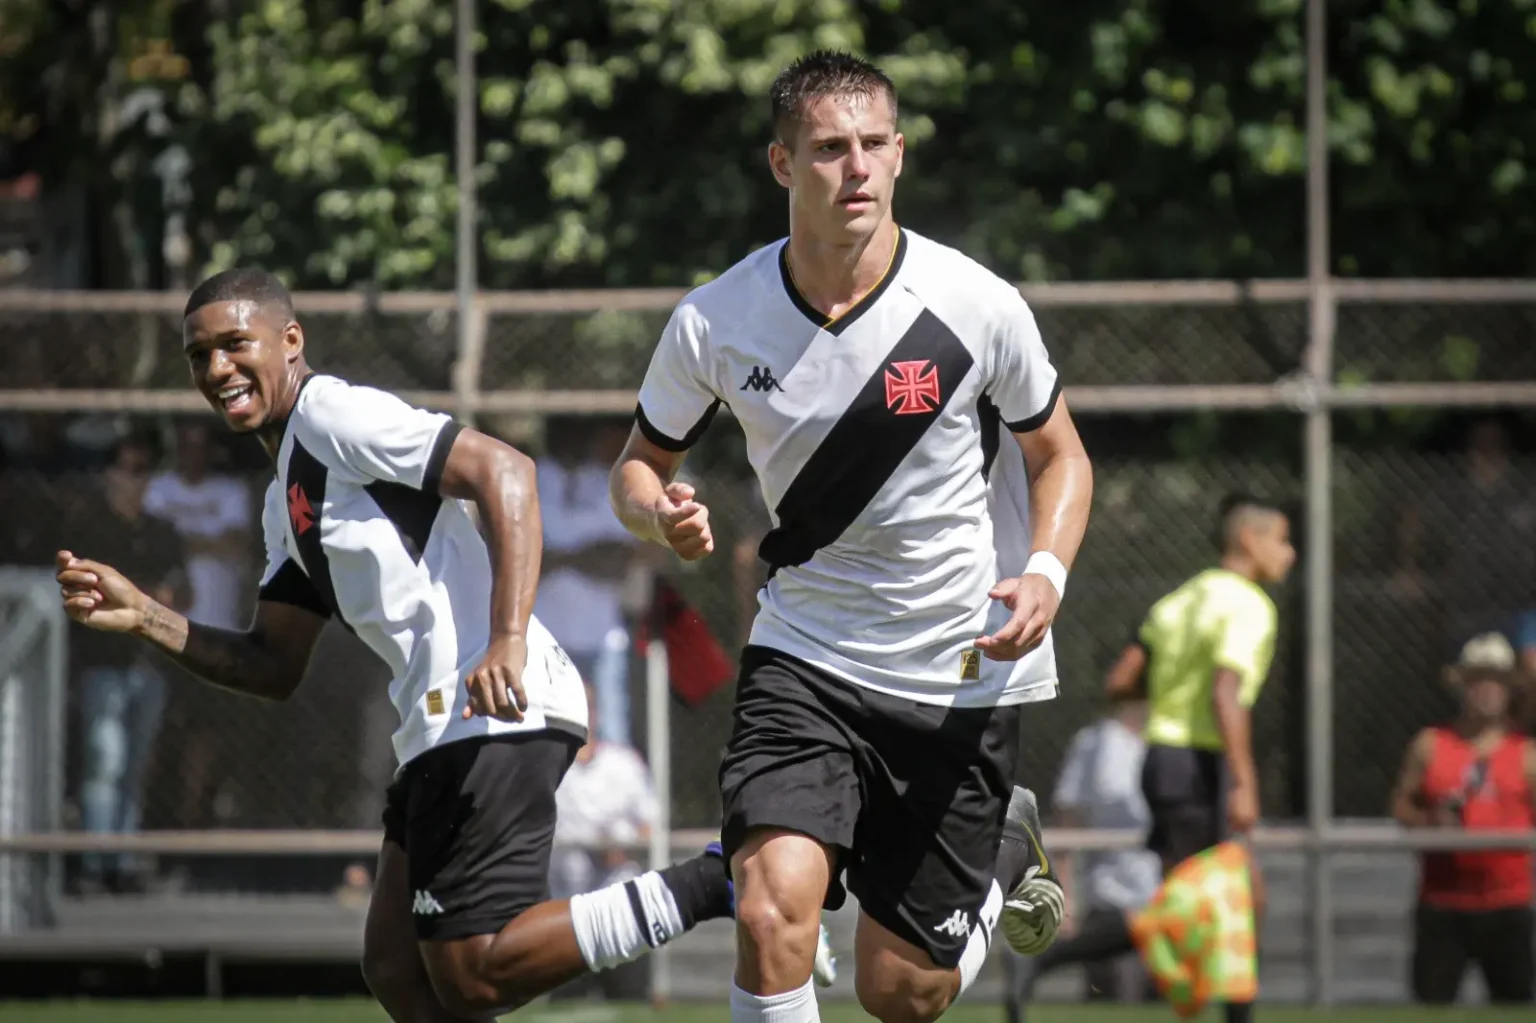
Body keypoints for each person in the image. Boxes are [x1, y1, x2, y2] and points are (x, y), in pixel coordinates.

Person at [55, 268, 738, 1021]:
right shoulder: (286, 497)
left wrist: (506, 638)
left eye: (233, 344)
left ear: (290, 341)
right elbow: (273, 663)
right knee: (397, 965)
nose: (216, 368)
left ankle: (715, 880)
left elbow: (506, 471)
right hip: (437, 724)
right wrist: (147, 615)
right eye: (198, 355)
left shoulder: (332, 414)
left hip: (494, 703)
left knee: (474, 973)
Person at [610, 51, 1092, 1023]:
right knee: (769, 910)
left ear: (902, 154)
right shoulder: (715, 321)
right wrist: (657, 515)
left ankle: (1002, 855)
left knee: (900, 993)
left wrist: (1045, 571)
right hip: (806, 655)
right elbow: (635, 467)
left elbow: (1063, 458)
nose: (857, 168)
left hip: (957, 668)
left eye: (875, 145)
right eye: (831, 149)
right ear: (784, 165)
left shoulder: (975, 303)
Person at [1101, 493, 1295, 1023]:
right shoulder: (1248, 604)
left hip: (1163, 760)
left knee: (1226, 897)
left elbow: (1119, 681)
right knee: (1195, 905)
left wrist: (1167, 691)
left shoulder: (1180, 599)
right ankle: (1054, 958)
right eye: (1282, 539)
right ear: (1250, 540)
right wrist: (1245, 781)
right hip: (1199, 765)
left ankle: (1224, 1011)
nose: (1290, 553)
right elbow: (1225, 693)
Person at [1390, 632, 1535, 1006]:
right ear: (1464, 686)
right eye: (1478, 680)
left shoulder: (1526, 755)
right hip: (1443, 904)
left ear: (1508, 691)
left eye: (1496, 682)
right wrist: (1430, 820)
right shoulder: (1430, 744)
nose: (1487, 691)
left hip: (1508, 904)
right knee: (1433, 1006)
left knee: (1515, 1008)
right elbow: (1402, 807)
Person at [71, 431, 187, 893]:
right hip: (102, 662)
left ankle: (121, 861)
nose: (132, 481)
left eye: (142, 471)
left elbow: (180, 592)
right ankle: (96, 862)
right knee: (105, 761)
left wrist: (155, 601)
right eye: (125, 470)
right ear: (108, 475)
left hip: (150, 663)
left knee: (136, 765)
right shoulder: (90, 530)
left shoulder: (163, 531)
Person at [1004, 701, 1161, 1022]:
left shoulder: (1175, 737)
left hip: (1167, 885)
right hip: (1110, 892)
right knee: (1112, 995)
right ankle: (1037, 962)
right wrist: (1063, 891)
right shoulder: (1095, 744)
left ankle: (1039, 961)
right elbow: (1070, 817)